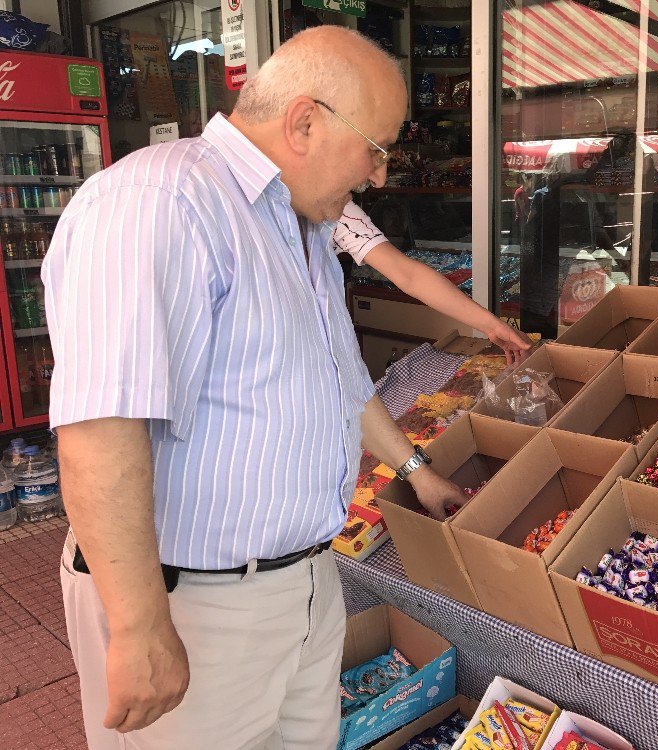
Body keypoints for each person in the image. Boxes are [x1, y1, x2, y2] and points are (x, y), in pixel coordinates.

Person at [44, 26, 474, 750]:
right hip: (191, 603)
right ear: (305, 121)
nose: (377, 174)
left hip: (302, 586)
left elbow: (340, 377)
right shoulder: (162, 202)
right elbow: (99, 428)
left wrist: (415, 471)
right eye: (377, 147)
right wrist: (140, 624)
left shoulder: (302, 224)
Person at [332, 200, 530, 366]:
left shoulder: (342, 211)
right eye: (373, 155)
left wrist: (493, 326)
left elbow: (409, 275)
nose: (379, 180)